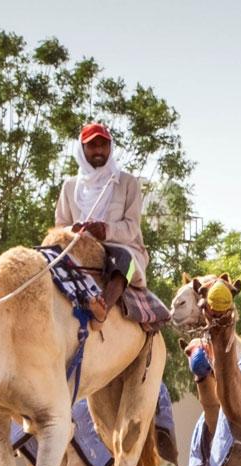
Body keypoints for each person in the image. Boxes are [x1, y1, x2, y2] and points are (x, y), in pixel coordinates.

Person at [55, 122, 150, 320]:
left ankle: (101, 311)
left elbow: (132, 227)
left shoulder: (127, 182)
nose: (98, 150)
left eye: (103, 145)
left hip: (123, 248)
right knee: (45, 259)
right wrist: (73, 230)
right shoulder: (70, 186)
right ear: (82, 149)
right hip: (80, 248)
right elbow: (59, 225)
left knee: (125, 262)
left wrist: (106, 231)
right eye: (92, 145)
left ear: (110, 147)